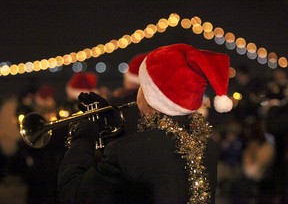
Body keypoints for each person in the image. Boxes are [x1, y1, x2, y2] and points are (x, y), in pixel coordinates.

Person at [58, 43, 233, 203]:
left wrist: (84, 133)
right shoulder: (206, 144)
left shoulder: (127, 152)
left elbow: (72, 193)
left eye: (143, 85)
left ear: (151, 96)